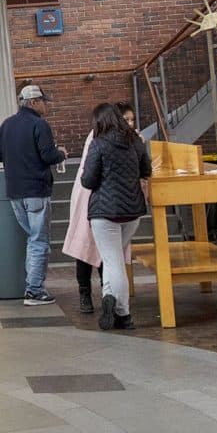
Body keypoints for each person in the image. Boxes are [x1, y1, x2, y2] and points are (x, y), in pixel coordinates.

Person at [78, 102, 151, 331]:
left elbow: (88, 181)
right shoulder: (136, 142)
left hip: (105, 212)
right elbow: (146, 171)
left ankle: (123, 313)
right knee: (114, 258)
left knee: (112, 261)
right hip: (132, 212)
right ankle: (109, 296)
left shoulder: (98, 144)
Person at [0, 84, 67, 305]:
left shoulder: (6, 125)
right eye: (44, 101)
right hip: (36, 189)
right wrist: (60, 153)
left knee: (33, 240)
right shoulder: (39, 125)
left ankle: (33, 287)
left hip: (14, 192)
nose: (46, 105)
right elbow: (48, 156)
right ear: (33, 102)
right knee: (38, 241)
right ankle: (34, 290)